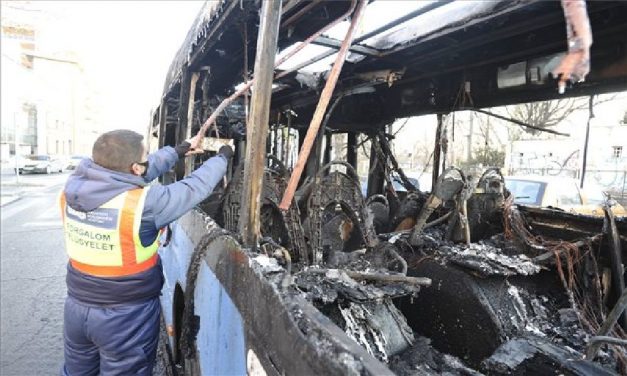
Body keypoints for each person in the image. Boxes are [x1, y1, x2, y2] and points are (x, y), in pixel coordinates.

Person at [59, 129, 233, 375]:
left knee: (78, 371)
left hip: (77, 308)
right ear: (136, 168)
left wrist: (177, 151)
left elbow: (131, 173)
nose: (147, 163)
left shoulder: (73, 188)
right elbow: (193, 188)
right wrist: (222, 158)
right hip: (125, 316)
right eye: (145, 159)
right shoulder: (145, 205)